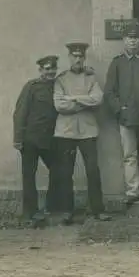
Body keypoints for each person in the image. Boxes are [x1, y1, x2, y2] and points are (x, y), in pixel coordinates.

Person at [53, 42, 111, 225]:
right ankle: (66, 211)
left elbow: (98, 99)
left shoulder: (91, 78)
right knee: (65, 172)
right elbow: (59, 105)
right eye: (74, 56)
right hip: (66, 131)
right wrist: (84, 103)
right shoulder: (60, 79)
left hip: (88, 130)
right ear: (69, 57)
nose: (77, 59)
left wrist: (73, 99)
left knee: (93, 171)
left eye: (81, 56)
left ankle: (97, 209)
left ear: (84, 58)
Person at [104, 22, 139, 205]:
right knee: (129, 155)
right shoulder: (117, 63)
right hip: (126, 117)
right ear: (124, 40)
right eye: (129, 38)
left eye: (136, 38)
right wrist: (119, 109)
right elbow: (109, 92)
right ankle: (133, 191)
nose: (132, 41)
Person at [13, 55, 59, 227]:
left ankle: (51, 208)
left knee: (58, 171)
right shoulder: (31, 87)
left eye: (53, 69)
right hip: (31, 138)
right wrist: (18, 138)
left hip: (51, 139)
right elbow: (20, 113)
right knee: (29, 176)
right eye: (47, 69)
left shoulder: (59, 86)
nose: (50, 72)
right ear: (40, 70)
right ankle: (29, 213)